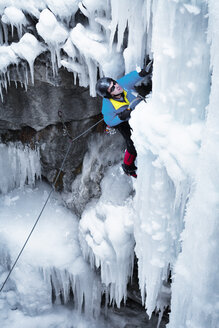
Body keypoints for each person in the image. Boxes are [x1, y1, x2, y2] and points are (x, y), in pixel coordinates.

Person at [96, 60, 152, 177]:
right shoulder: (107, 107)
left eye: (114, 83)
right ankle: (128, 167)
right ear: (108, 95)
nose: (116, 87)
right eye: (112, 89)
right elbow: (109, 121)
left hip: (139, 110)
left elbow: (133, 76)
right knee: (132, 145)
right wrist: (122, 117)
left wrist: (142, 73)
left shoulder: (122, 84)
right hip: (123, 121)